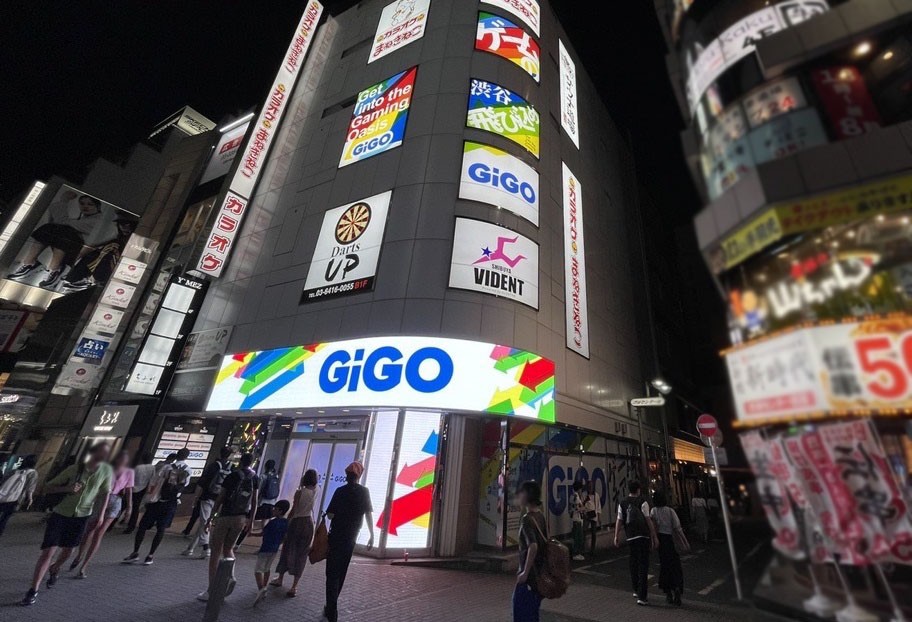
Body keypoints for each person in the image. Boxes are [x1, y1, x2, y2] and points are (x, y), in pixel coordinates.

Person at [20, 442, 113, 607]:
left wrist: (101, 514)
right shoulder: (75, 469)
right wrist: (66, 488)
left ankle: (55, 568)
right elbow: (47, 487)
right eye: (101, 453)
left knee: (69, 551)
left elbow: (106, 492)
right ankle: (33, 590)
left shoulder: (106, 471)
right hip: (60, 514)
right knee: (48, 551)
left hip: (82, 516)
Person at [8, 193, 112, 289]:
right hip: (73, 247)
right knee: (49, 228)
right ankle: (30, 263)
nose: (85, 206)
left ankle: (54, 269)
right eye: (82, 203)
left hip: (81, 253)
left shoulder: (97, 220)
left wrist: (64, 200)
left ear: (97, 207)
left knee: (64, 232)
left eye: (90, 204)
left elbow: (63, 221)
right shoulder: (84, 218)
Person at [197, 452, 259, 602]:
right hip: (241, 518)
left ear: (240, 461)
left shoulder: (232, 476)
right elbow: (255, 500)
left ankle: (212, 589)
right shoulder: (255, 478)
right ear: (252, 462)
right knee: (229, 548)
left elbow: (221, 497)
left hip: (225, 516)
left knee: (216, 551)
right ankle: (230, 576)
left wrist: (211, 517)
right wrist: (251, 520)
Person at [69, 449, 134, 578]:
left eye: (125, 460)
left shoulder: (129, 472)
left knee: (99, 533)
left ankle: (84, 565)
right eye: (121, 458)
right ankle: (79, 556)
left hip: (115, 500)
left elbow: (128, 490)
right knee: (90, 530)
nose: (122, 462)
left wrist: (129, 507)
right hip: (101, 498)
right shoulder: (106, 469)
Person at [323, 462, 374, 622]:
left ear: (346, 475)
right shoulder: (364, 492)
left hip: (336, 536)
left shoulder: (340, 491)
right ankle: (332, 606)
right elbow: (368, 514)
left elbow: (330, 514)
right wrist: (372, 534)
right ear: (359, 476)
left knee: (331, 572)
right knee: (341, 571)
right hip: (351, 537)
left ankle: (331, 607)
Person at [123, 447, 191, 566]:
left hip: (156, 501)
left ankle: (135, 552)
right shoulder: (188, 470)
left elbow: (153, 482)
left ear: (177, 455)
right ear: (186, 457)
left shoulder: (166, 467)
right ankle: (150, 556)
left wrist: (148, 498)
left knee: (143, 527)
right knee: (161, 529)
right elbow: (184, 486)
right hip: (171, 502)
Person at [272, 468, 319, 596]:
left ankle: (280, 578)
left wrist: (287, 521)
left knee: (288, 548)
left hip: (297, 522)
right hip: (308, 523)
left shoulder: (300, 492)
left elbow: (294, 509)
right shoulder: (316, 491)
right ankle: (294, 586)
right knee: (302, 554)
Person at [614, 481, 659, 606]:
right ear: (638, 489)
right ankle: (642, 596)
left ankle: (635, 589)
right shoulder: (643, 502)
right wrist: (654, 535)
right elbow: (648, 520)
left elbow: (619, 520)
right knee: (643, 565)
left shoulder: (623, 503)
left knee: (633, 563)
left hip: (630, 537)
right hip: (643, 536)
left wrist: (616, 535)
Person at [183, 447, 232, 559]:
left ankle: (206, 548)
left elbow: (202, 483)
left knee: (204, 521)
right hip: (220, 499)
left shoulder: (213, 466)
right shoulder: (231, 468)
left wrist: (196, 497)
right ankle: (190, 548)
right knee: (203, 522)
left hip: (207, 497)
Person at [514, 480, 546, 622]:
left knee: (521, 614)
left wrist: (524, 573)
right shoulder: (540, 516)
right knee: (533, 614)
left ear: (528, 495)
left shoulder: (527, 519)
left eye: (522, 492)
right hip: (539, 575)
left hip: (530, 578)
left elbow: (533, 546)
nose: (519, 495)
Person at [651, 491, 688, 605]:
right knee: (675, 566)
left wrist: (653, 540)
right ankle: (677, 588)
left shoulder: (653, 511)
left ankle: (668, 593)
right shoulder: (670, 511)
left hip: (660, 540)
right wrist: (684, 541)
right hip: (671, 539)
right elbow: (677, 527)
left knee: (664, 566)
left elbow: (652, 527)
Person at [251, 499, 291, 607]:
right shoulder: (286, 523)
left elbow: (262, 533)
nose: (273, 510)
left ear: (280, 511)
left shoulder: (272, 522)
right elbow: (285, 537)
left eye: (275, 509)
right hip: (274, 549)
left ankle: (261, 588)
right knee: (267, 568)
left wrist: (251, 534)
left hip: (265, 548)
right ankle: (265, 585)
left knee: (258, 570)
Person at [236, 458, 281, 549]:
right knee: (264, 526)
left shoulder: (263, 477)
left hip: (261, 504)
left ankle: (238, 543)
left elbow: (257, 490)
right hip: (271, 505)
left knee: (248, 522)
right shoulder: (276, 477)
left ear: (265, 466)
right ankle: (263, 546)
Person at [0, 454, 39, 537]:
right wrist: (30, 499)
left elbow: (3, 481)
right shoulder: (33, 473)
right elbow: (30, 488)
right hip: (15, 498)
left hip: (2, 496)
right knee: (5, 517)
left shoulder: (15, 471)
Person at [123, 453, 155, 534]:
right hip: (142, 489)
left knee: (124, 504)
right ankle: (131, 526)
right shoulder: (152, 468)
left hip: (132, 488)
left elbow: (131, 478)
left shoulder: (138, 467)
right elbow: (152, 480)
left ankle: (112, 523)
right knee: (135, 508)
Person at [583, 481, 601, 556]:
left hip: (594, 515)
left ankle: (592, 550)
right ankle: (583, 549)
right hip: (587, 515)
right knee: (584, 531)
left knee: (593, 533)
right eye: (589, 486)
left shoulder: (596, 495)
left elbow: (598, 507)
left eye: (591, 486)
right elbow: (582, 505)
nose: (590, 487)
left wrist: (599, 517)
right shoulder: (584, 495)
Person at [569, 480, 585, 561]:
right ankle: (576, 553)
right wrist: (583, 508)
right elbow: (579, 508)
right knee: (578, 537)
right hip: (577, 519)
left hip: (575, 518)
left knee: (576, 536)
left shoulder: (572, 496)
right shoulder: (576, 497)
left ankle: (576, 553)